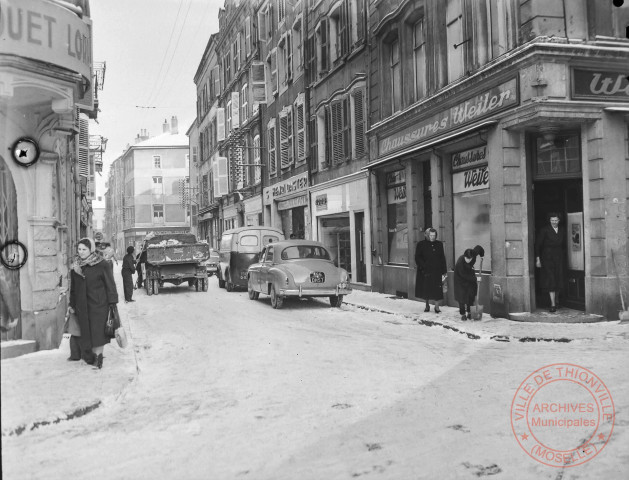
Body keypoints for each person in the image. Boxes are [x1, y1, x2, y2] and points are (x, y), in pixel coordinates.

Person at [69, 238, 119, 368]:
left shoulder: (102, 264)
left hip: (99, 304)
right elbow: (73, 288)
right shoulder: (76, 266)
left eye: (84, 249)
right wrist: (72, 304)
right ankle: (90, 356)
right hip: (82, 306)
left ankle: (98, 357)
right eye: (79, 249)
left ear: (91, 249)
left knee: (98, 333)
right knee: (87, 332)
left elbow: (110, 284)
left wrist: (112, 302)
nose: (81, 252)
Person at [535, 213, 565, 313]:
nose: (554, 222)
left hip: (559, 257)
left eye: (556, 220)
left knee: (558, 278)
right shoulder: (544, 230)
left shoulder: (562, 230)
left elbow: (564, 244)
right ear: (550, 220)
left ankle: (556, 301)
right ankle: (552, 304)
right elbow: (538, 245)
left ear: (559, 220)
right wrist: (538, 259)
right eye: (552, 220)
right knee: (551, 279)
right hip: (547, 257)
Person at [415, 228, 447, 313]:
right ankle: (427, 305)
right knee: (426, 289)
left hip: (437, 271)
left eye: (434, 235)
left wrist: (444, 271)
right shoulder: (421, 244)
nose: (432, 237)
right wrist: (424, 266)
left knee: (437, 290)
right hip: (426, 271)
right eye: (430, 235)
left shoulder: (439, 244)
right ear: (426, 235)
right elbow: (417, 257)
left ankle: (437, 307)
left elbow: (442, 258)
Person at [454, 249, 481, 321]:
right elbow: (464, 275)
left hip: (469, 282)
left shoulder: (472, 255)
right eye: (467, 258)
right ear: (464, 256)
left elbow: (478, 248)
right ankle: (463, 314)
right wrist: (475, 278)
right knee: (462, 299)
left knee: (470, 297)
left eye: (470, 259)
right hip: (460, 282)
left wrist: (482, 254)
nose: (469, 260)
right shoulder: (460, 263)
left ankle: (469, 312)